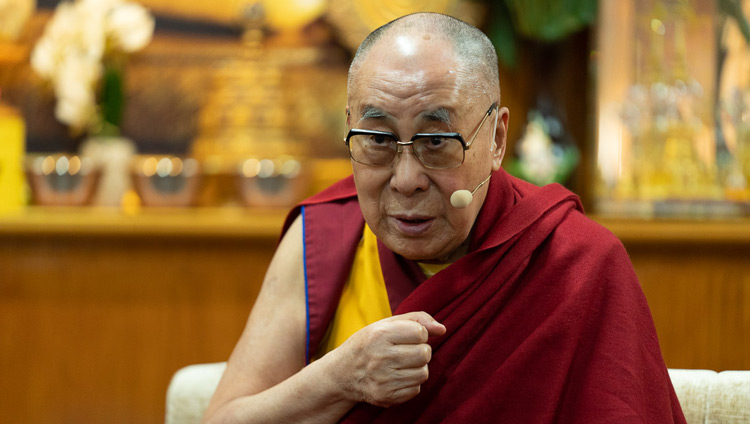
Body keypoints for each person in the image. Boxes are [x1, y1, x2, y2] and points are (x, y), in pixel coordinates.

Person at [203, 12, 686, 424]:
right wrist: (339, 378)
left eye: (437, 143)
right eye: (378, 140)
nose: (406, 178)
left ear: (496, 140)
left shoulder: (577, 262)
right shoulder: (325, 238)